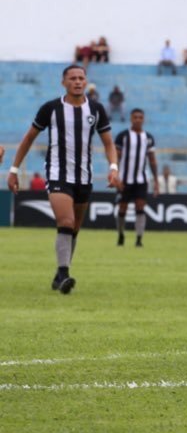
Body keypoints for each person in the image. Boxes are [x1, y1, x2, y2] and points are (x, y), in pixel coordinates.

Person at [5, 64, 121, 293]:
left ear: (86, 81)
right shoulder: (50, 108)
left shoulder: (96, 109)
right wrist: (14, 170)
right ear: (63, 82)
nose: (77, 82)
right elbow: (28, 139)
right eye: (72, 78)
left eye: (81, 78)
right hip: (58, 173)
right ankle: (64, 275)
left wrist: (114, 167)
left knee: (74, 229)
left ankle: (60, 273)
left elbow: (108, 143)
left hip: (84, 177)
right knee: (66, 222)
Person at [114, 108, 159, 247]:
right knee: (123, 208)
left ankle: (139, 239)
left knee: (140, 207)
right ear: (131, 118)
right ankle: (121, 234)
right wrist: (115, 175)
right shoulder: (123, 136)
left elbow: (152, 160)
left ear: (144, 119)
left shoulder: (149, 138)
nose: (138, 120)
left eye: (140, 117)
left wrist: (156, 180)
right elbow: (116, 157)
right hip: (124, 179)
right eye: (135, 117)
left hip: (141, 179)